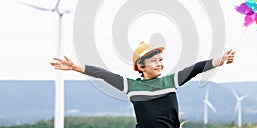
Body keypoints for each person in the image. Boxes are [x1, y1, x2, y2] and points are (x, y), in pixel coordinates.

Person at [50, 42, 236, 128]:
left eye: (160, 59)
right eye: (154, 60)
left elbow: (195, 68)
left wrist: (220, 60)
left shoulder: (170, 81)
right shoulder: (131, 86)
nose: (159, 63)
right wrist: (76, 67)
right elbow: (104, 75)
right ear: (141, 66)